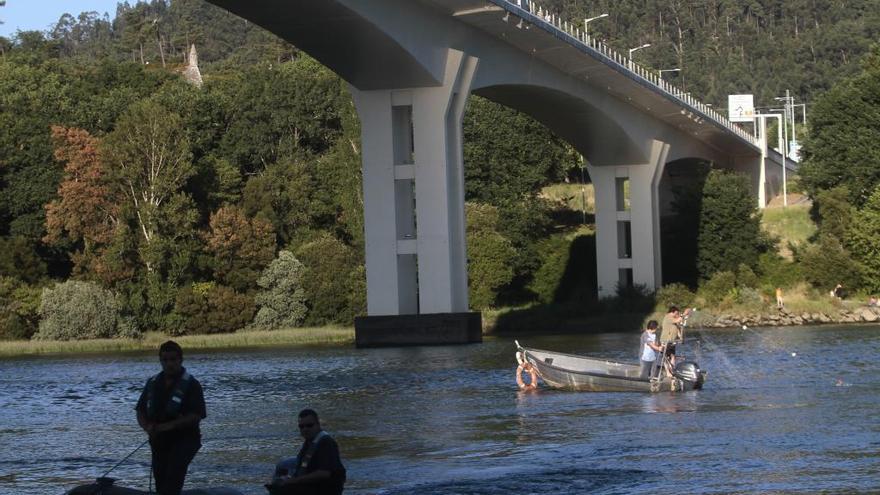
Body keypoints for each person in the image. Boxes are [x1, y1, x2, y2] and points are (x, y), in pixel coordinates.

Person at [135, 340, 206, 495]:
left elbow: (196, 416)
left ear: (181, 360)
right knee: (161, 481)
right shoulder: (152, 383)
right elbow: (140, 411)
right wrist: (147, 426)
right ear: (160, 361)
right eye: (165, 360)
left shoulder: (192, 385)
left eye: (173, 359)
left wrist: (166, 427)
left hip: (185, 440)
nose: (169, 364)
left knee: (173, 478)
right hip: (159, 441)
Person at [268, 409, 346, 495]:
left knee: (281, 489)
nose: (305, 429)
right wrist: (288, 478)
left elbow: (324, 473)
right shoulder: (310, 441)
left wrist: (293, 481)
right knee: (282, 467)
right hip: (312, 484)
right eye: (301, 426)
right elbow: (302, 464)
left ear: (318, 425)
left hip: (326, 488)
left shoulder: (326, 442)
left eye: (309, 425)